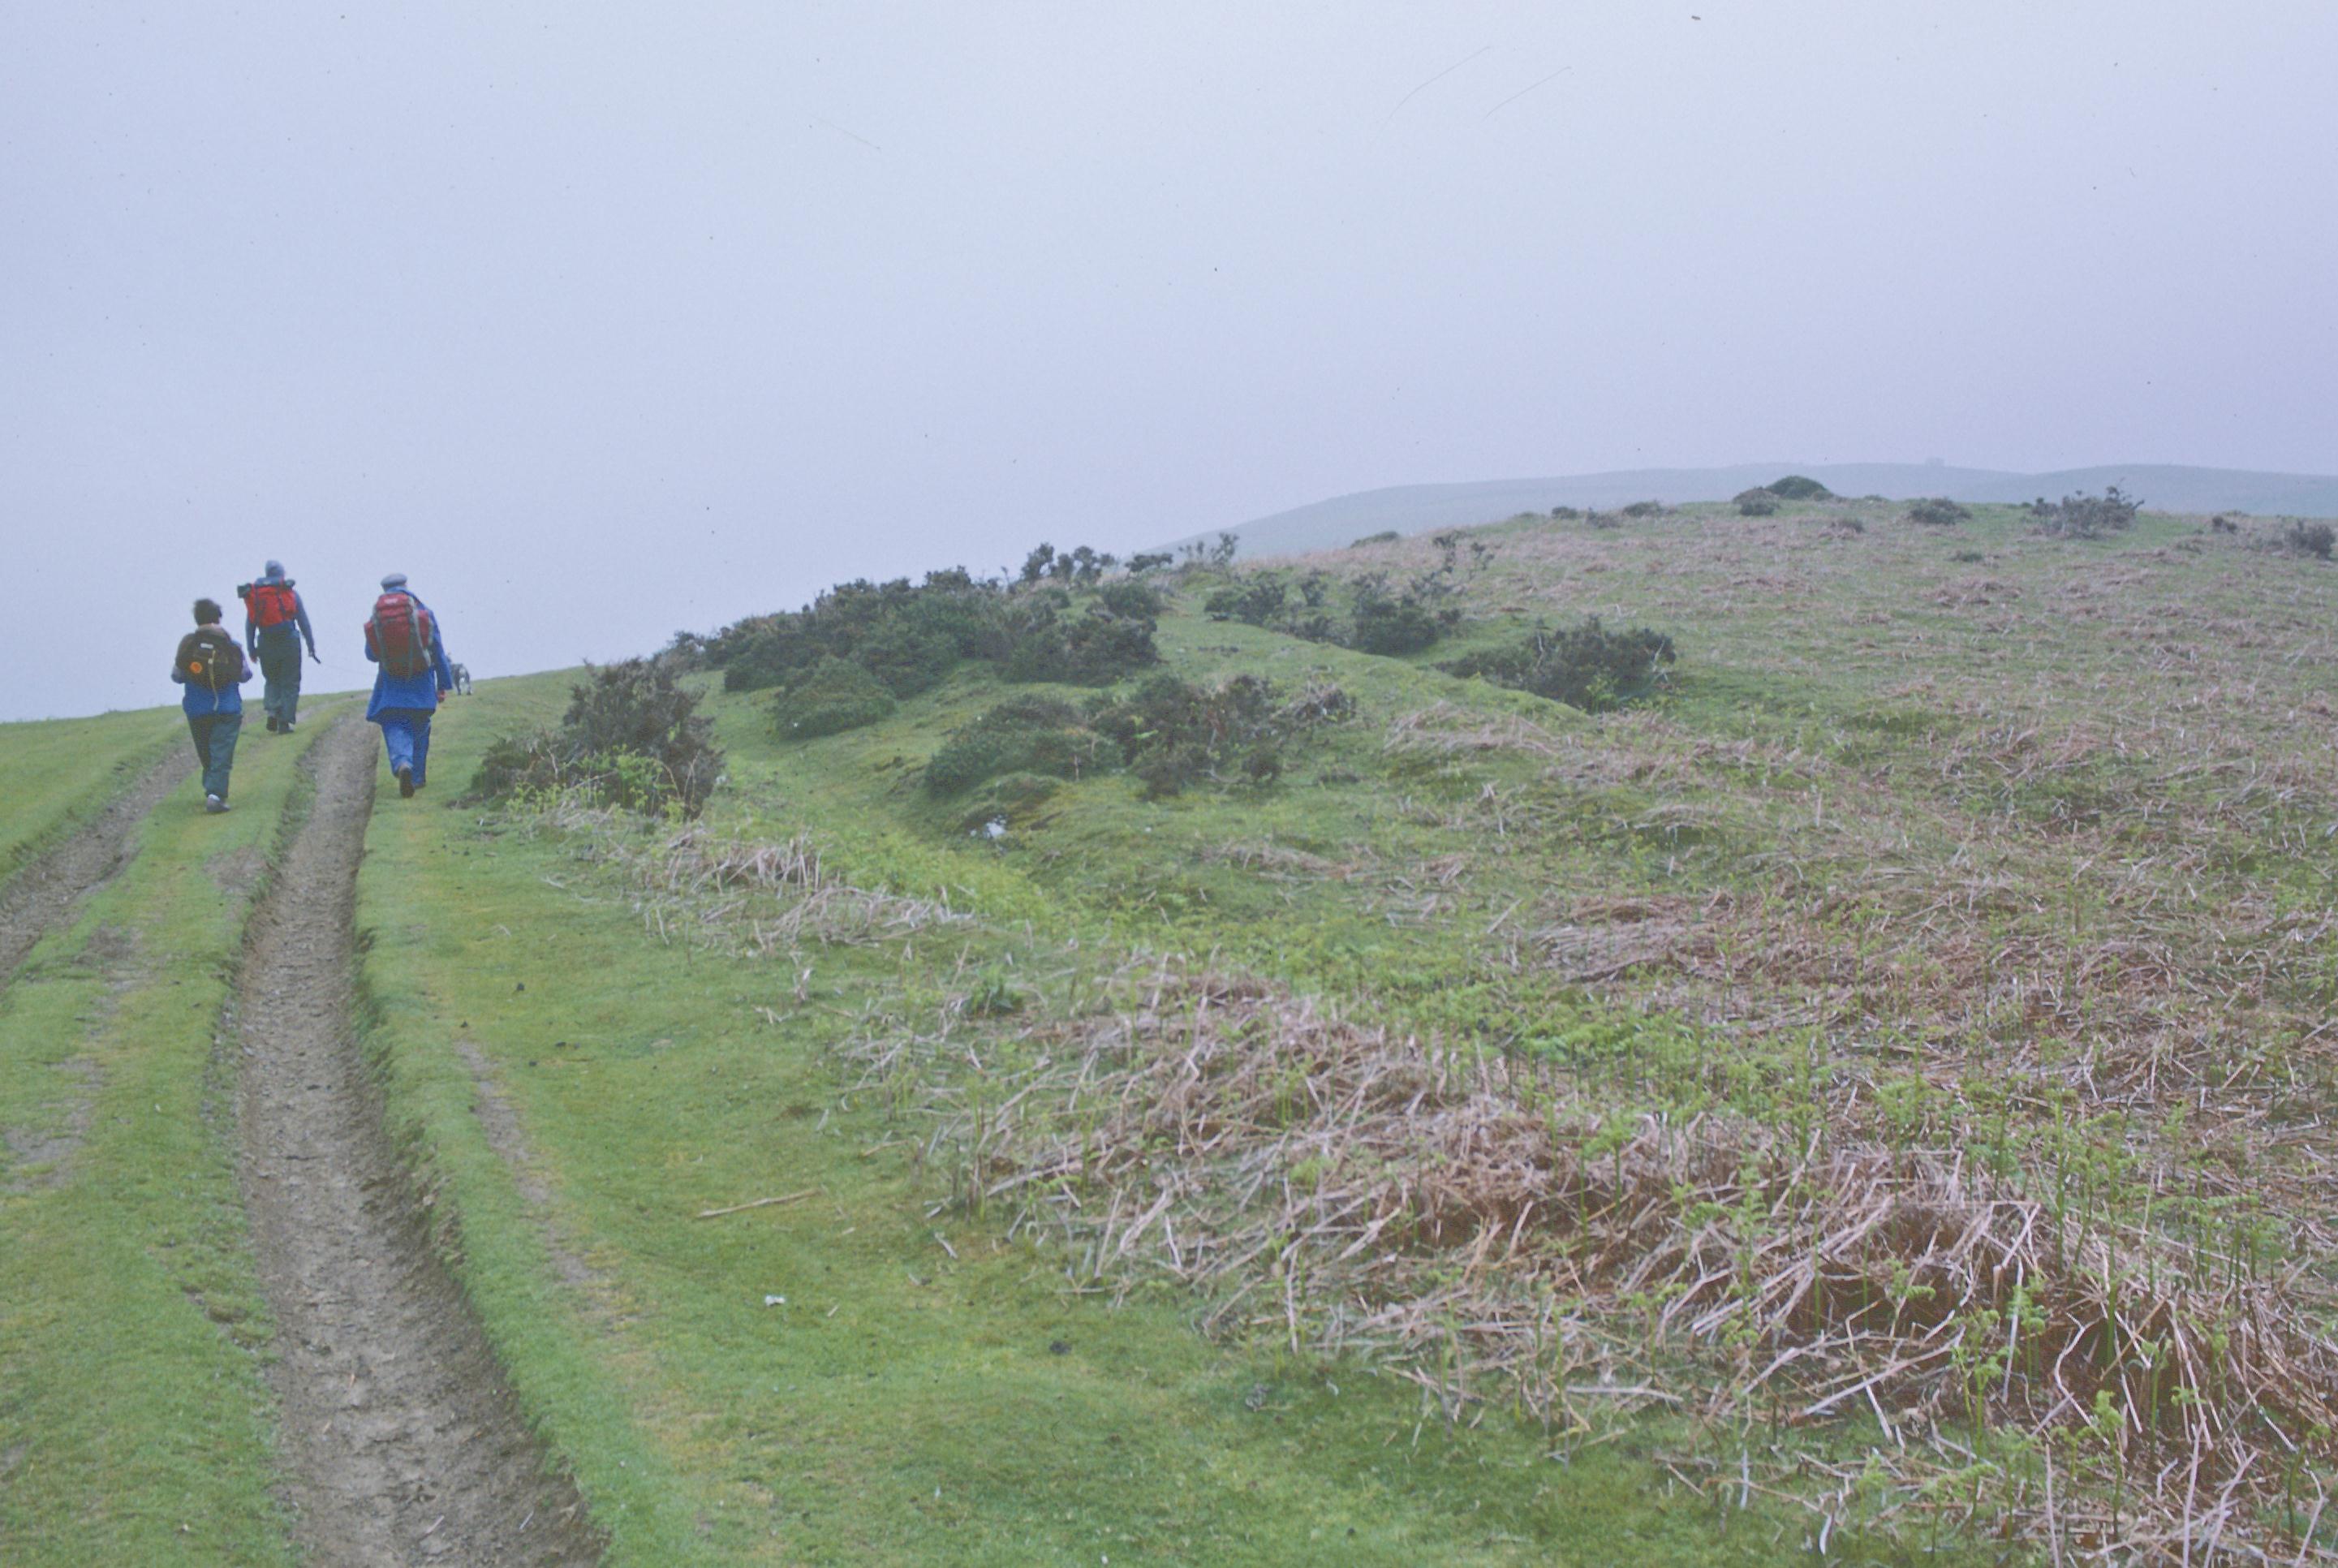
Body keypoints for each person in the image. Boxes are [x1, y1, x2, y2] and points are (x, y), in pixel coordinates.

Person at [363, 572, 453, 798]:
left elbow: (371, 655)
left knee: (395, 727)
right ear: (406, 586)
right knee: (421, 728)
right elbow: (438, 652)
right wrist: (443, 684)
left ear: (385, 590)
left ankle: (403, 763)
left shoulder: (378, 616)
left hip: (391, 686)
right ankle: (417, 778)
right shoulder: (423, 613)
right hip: (421, 684)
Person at [171, 597, 251, 814]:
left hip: (197, 709)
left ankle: (212, 789)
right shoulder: (231, 645)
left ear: (197, 619)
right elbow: (245, 675)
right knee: (222, 754)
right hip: (227, 708)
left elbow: (176, 676)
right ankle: (215, 795)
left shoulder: (188, 644)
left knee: (207, 753)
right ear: (218, 618)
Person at [236, 559, 320, 734]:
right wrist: (311, 646)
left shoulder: (256, 596)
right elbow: (303, 622)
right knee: (290, 682)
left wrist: (252, 649)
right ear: (282, 574)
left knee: (272, 680)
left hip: (265, 642)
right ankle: (284, 723)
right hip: (289, 641)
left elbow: (250, 625)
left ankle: (273, 711)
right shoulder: (289, 593)